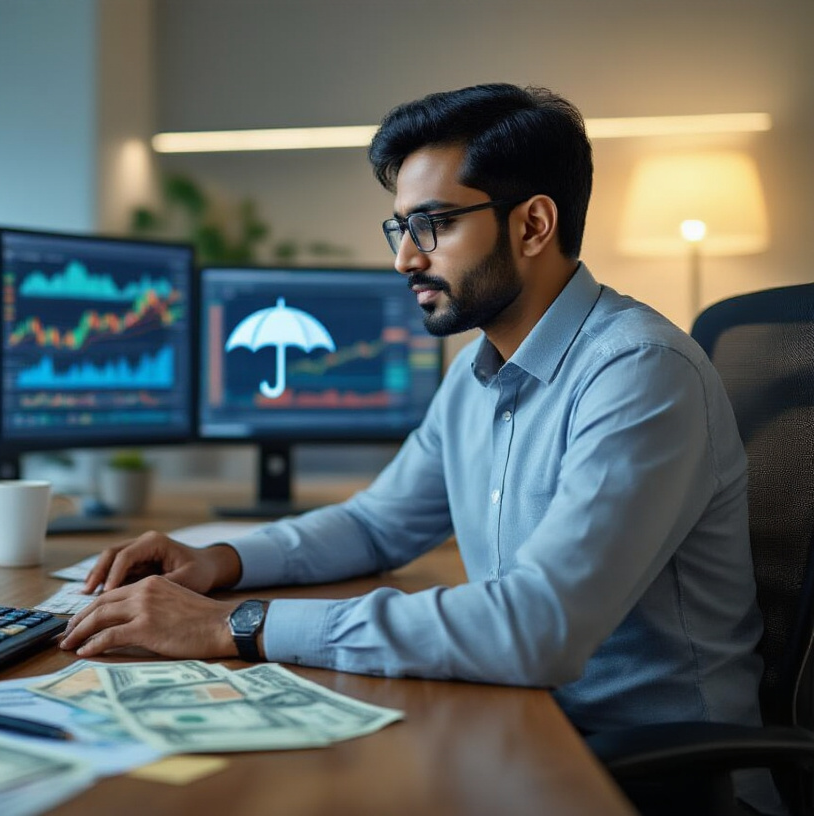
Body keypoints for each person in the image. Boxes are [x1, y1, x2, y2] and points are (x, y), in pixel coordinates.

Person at [59, 83, 767, 783]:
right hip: (520, 721)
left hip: (647, 771)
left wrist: (233, 624)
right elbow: (377, 525)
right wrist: (216, 562)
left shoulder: (640, 371)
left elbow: (536, 629)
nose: (405, 259)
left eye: (434, 224)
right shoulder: (477, 374)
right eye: (401, 227)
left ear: (533, 225)